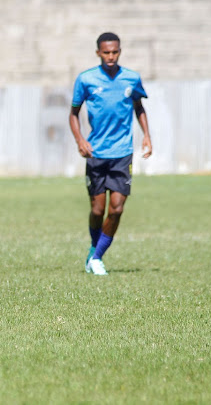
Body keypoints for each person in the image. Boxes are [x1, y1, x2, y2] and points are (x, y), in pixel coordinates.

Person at [69, 32, 152, 275]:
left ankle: (96, 257)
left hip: (122, 153)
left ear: (120, 51)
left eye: (115, 52)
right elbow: (73, 114)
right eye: (106, 52)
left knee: (116, 209)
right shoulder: (86, 79)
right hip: (96, 152)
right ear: (98, 53)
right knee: (97, 209)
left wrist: (146, 135)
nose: (111, 56)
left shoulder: (131, 78)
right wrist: (80, 140)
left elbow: (139, 107)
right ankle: (94, 250)